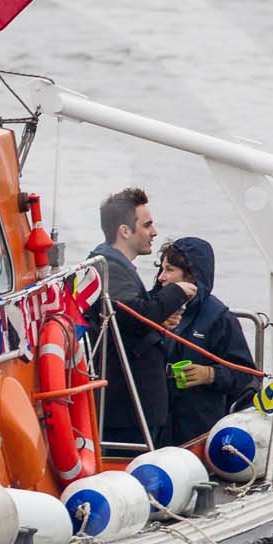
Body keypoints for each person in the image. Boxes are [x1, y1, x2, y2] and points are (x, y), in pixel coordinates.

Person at [88, 187, 194, 449]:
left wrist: (160, 315)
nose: (154, 232)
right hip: (125, 409)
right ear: (125, 231)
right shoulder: (108, 266)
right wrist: (176, 292)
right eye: (146, 225)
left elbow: (132, 314)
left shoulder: (114, 267)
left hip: (134, 406)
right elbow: (134, 316)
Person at [156, 237, 258, 446]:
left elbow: (247, 374)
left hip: (200, 427)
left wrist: (210, 374)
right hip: (157, 424)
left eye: (169, 269)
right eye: (160, 269)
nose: (161, 278)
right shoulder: (154, 309)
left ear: (192, 276)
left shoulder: (219, 318)